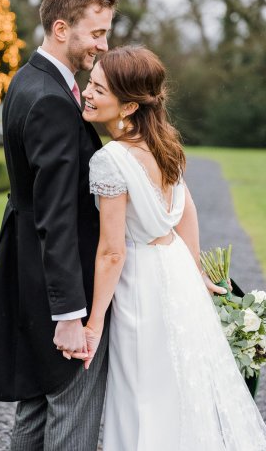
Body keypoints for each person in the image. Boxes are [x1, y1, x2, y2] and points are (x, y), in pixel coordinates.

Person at [78, 45, 266, 450]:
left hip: (140, 285)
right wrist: (195, 269)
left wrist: (93, 325)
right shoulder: (165, 142)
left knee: (140, 392)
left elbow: (112, 252)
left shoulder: (110, 159)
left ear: (128, 106)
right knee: (178, 384)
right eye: (89, 83)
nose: (87, 93)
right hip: (176, 270)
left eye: (98, 89)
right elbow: (187, 211)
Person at [0, 0, 117, 450]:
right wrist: (71, 314)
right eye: (96, 33)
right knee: (72, 408)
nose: (104, 44)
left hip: (28, 268)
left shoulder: (26, 80)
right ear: (61, 28)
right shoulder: (53, 99)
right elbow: (57, 214)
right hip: (59, 278)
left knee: (36, 405)